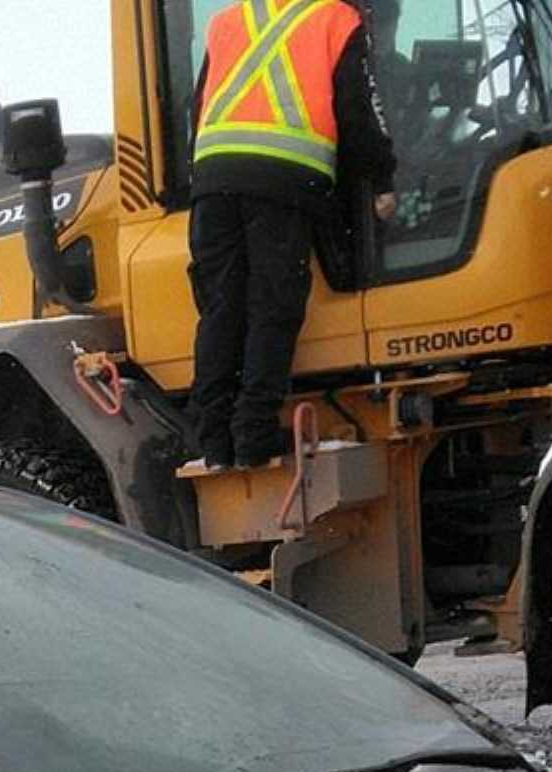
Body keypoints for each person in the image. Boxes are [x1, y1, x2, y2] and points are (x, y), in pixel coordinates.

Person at [185, 0, 399, 470]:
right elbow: (358, 111)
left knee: (221, 306)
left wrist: (202, 177)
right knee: (273, 303)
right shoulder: (336, 18)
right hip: (284, 179)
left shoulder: (228, 20)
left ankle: (213, 438)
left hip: (214, 177)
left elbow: (197, 107)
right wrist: (381, 178)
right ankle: (255, 431)